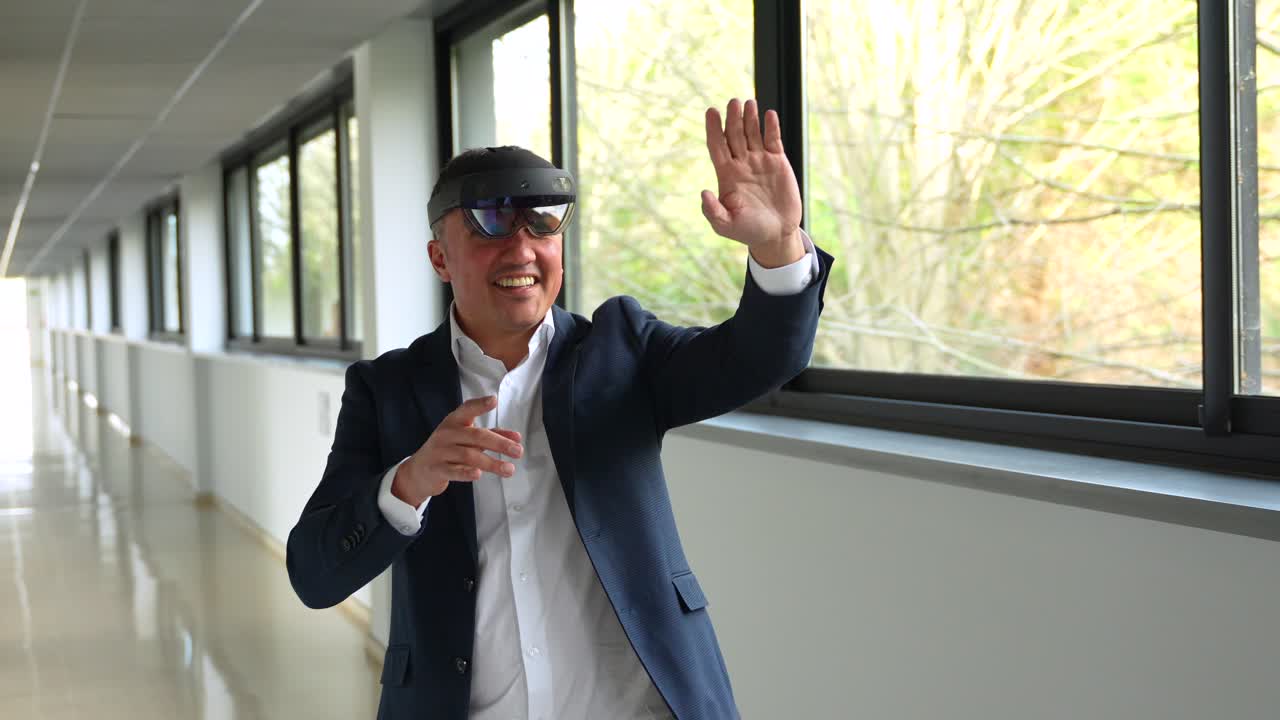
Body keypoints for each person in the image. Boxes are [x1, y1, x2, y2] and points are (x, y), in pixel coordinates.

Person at [285, 98, 833, 720]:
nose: (521, 250)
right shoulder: (387, 391)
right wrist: (409, 483)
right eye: (491, 223)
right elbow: (314, 574)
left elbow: (760, 359)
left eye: (542, 223)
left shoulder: (621, 349)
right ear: (440, 258)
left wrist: (779, 246)